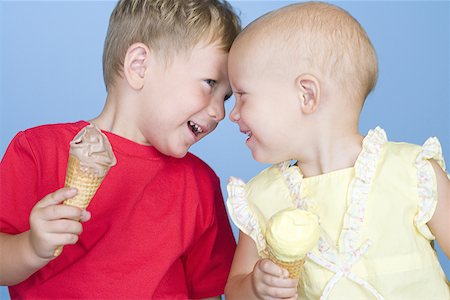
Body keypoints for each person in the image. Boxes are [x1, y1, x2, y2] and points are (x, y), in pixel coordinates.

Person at [0, 0, 241, 298]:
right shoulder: (37, 151)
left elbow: (209, 291)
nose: (220, 112)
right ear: (139, 65)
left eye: (226, 96)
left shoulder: (201, 184)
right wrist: (31, 247)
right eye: (209, 83)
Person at [224, 2, 449, 299]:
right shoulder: (262, 198)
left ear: (307, 95)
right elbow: (234, 289)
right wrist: (254, 286)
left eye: (242, 96)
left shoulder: (411, 172)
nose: (233, 114)